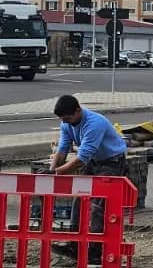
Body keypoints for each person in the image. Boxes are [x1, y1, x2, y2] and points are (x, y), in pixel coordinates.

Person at [50, 94, 129, 246]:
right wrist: (50, 171)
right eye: (62, 120)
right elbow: (62, 149)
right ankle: (75, 242)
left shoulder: (94, 123)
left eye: (67, 119)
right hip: (94, 161)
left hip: (111, 163)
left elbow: (82, 158)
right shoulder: (66, 123)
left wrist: (57, 173)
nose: (65, 123)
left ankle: (96, 247)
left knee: (99, 205)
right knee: (80, 198)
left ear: (78, 111)